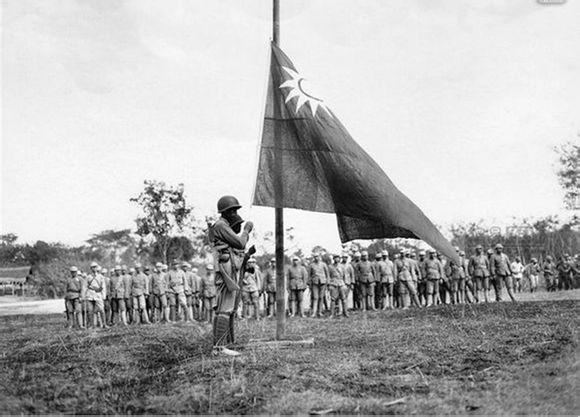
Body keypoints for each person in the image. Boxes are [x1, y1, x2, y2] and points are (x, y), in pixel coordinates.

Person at [208, 195, 254, 356]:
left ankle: (223, 344)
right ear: (224, 212)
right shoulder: (221, 225)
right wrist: (246, 230)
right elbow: (240, 243)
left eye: (235, 210)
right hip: (225, 269)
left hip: (228, 268)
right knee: (224, 308)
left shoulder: (222, 225)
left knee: (226, 307)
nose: (235, 213)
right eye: (231, 210)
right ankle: (220, 348)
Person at [85, 262, 106, 328]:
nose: (94, 268)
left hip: (98, 294)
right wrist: (84, 295)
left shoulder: (100, 277)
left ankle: (104, 324)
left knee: (101, 310)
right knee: (90, 311)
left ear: (97, 268)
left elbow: (103, 287)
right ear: (91, 269)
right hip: (90, 295)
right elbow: (85, 286)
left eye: (95, 267)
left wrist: (103, 296)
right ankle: (91, 325)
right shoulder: (88, 277)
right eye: (92, 267)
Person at [308, 253, 329, 317]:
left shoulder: (323, 264)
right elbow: (309, 275)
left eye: (317, 256)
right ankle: (314, 312)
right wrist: (309, 283)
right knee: (315, 297)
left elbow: (327, 274)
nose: (316, 258)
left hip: (323, 282)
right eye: (315, 257)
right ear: (314, 257)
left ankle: (320, 312)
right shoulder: (311, 265)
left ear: (319, 257)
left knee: (321, 297)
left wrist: (327, 282)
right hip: (315, 283)